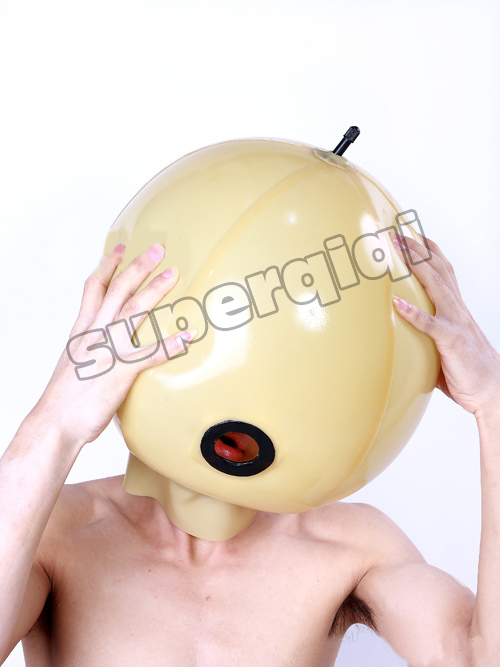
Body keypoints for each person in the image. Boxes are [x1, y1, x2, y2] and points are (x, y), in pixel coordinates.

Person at [0, 232, 499, 667]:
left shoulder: (350, 548)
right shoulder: (57, 531)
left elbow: (479, 659)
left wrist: (493, 401)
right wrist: (57, 420)